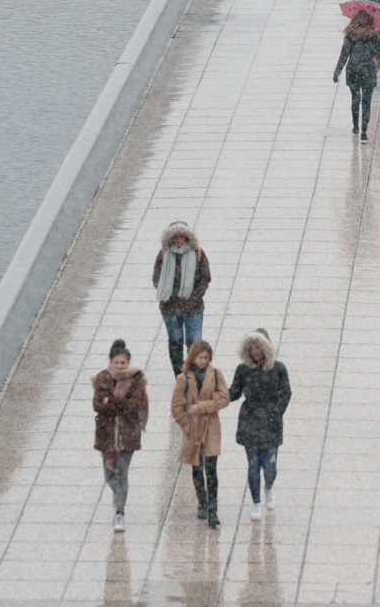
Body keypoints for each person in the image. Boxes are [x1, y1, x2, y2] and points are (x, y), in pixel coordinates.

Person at [229, 329, 292, 520]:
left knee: (270, 467)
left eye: (258, 347)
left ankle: (269, 488)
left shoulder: (279, 368)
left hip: (271, 424)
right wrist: (218, 394)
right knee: (253, 466)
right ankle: (256, 502)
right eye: (251, 348)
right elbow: (234, 392)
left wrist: (276, 412)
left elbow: (286, 393)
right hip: (250, 422)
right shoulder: (243, 370)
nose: (255, 352)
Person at [171, 340, 229, 528]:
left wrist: (202, 407)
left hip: (211, 427)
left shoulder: (216, 374)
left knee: (211, 469)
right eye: (200, 357)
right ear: (193, 357)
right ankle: (201, 501)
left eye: (206, 358)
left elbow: (224, 398)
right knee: (196, 468)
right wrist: (187, 427)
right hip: (193, 429)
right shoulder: (184, 378)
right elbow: (176, 407)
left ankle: (213, 509)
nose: (203, 361)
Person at [92, 339, 148, 531]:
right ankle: (118, 496)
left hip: (128, 433)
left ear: (128, 363)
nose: (120, 366)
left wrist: (112, 402)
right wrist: (117, 403)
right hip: (107, 433)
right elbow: (98, 405)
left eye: (123, 363)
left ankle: (120, 513)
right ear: (110, 362)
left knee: (122, 473)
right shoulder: (102, 378)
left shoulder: (136, 379)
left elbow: (134, 406)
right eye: (116, 362)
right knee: (109, 475)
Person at [153, 221, 212, 377]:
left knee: (195, 342)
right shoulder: (164, 254)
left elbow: (205, 278)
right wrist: (167, 293)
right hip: (170, 308)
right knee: (175, 342)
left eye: (182, 237)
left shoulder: (198, 253)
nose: (179, 241)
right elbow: (156, 278)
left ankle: (196, 374)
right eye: (175, 237)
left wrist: (193, 297)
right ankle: (179, 375)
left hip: (193, 307)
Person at [333, 10, 380, 143]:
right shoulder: (374, 35)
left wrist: (337, 72)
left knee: (355, 99)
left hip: (353, 70)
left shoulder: (350, 35)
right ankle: (364, 132)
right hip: (368, 70)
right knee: (366, 103)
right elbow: (379, 55)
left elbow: (344, 55)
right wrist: (375, 68)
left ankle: (355, 126)